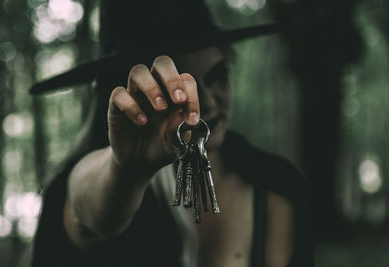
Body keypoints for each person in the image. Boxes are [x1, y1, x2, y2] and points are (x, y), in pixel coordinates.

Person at [30, 0, 314, 266]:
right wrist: (126, 170)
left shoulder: (277, 183)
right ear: (133, 97)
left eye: (216, 76)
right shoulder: (95, 185)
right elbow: (90, 208)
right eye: (177, 91)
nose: (207, 102)